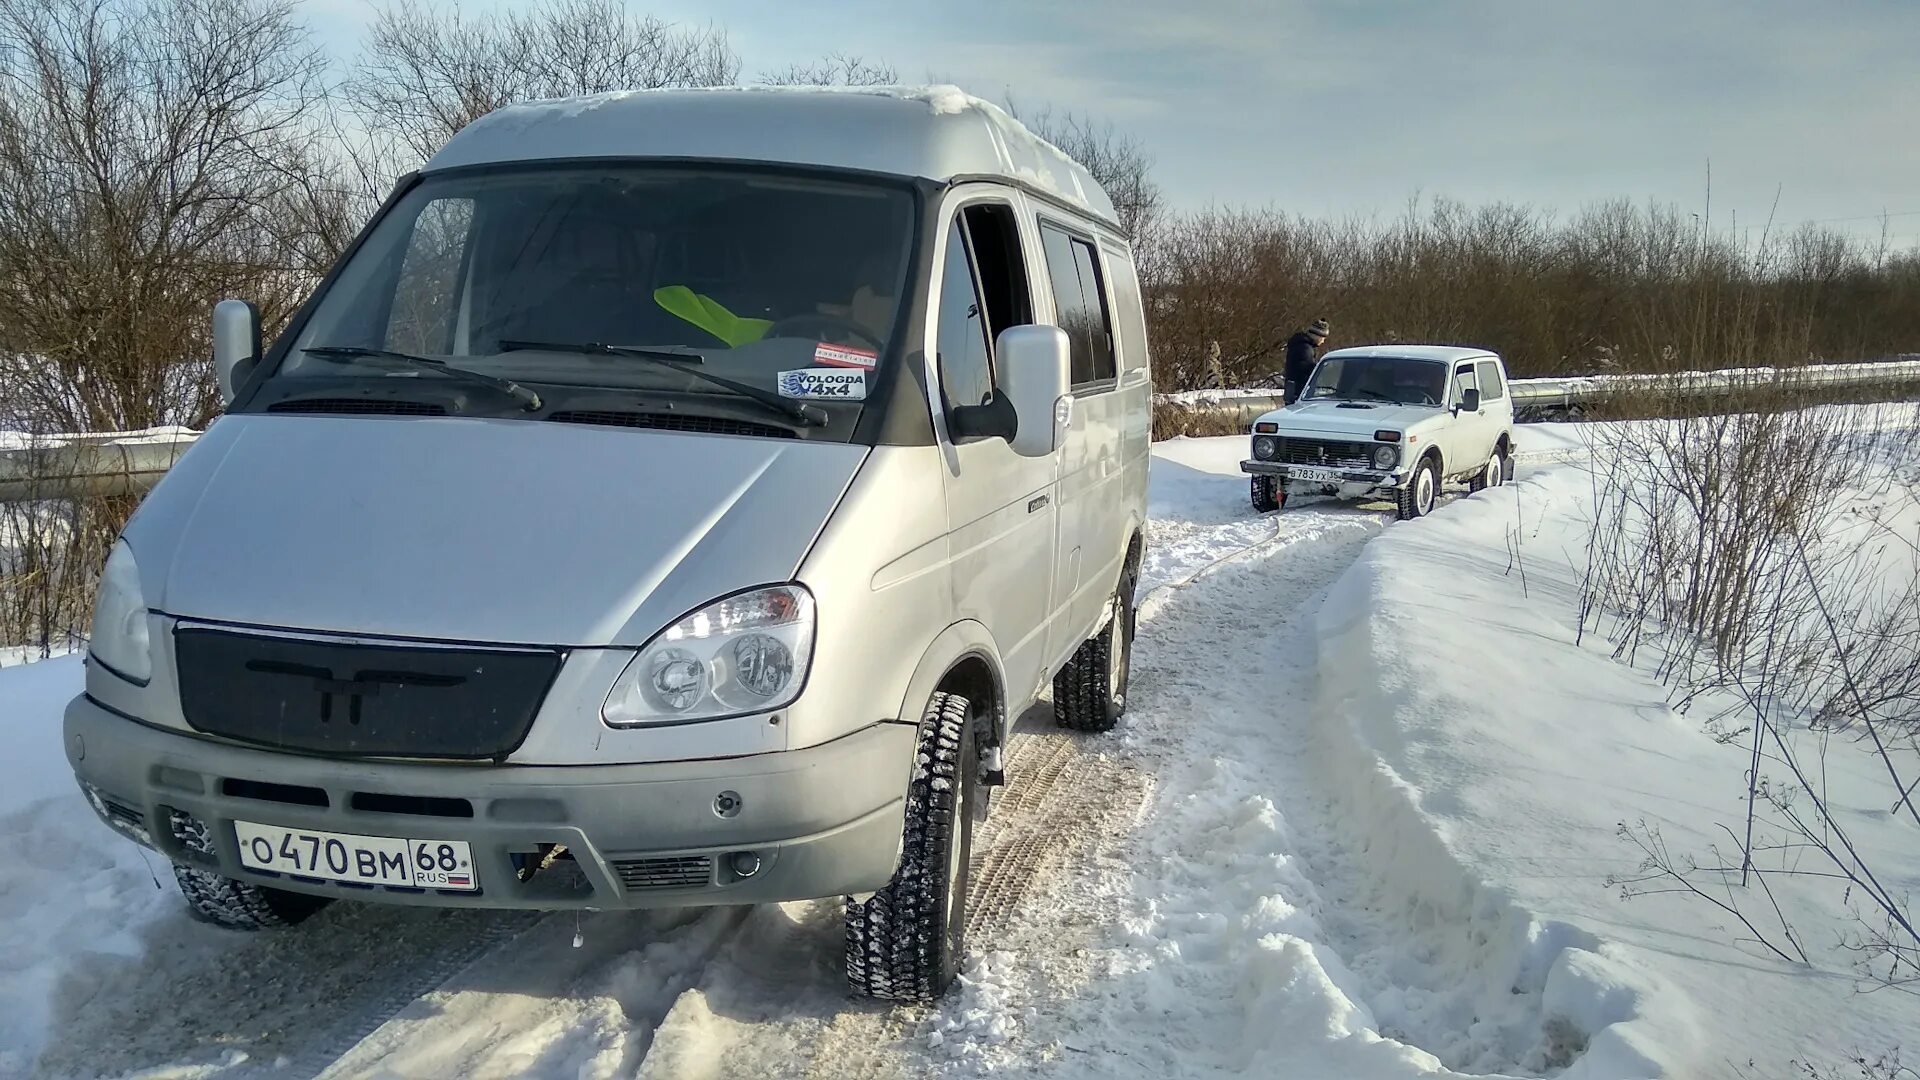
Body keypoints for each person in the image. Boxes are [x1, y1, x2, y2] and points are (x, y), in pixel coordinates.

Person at [1282, 318, 1330, 404]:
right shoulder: (1305, 349)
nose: (1323, 341)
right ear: (1317, 336)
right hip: (1299, 393)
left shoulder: (1299, 345)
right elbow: (1307, 371)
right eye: (1323, 338)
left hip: (1291, 391)